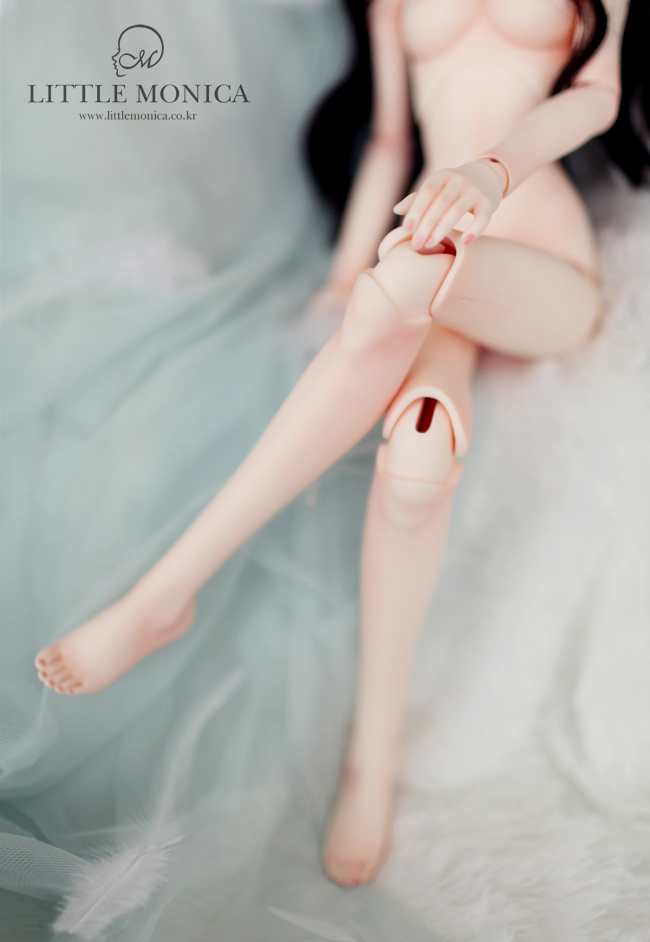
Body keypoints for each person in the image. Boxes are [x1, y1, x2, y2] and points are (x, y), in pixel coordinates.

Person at [34, 0, 644, 891]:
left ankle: (166, 591)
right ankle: (372, 757)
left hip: (538, 254)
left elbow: (596, 97)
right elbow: (391, 145)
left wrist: (491, 170)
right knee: (420, 450)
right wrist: (336, 280)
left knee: (406, 281)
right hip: (433, 237)